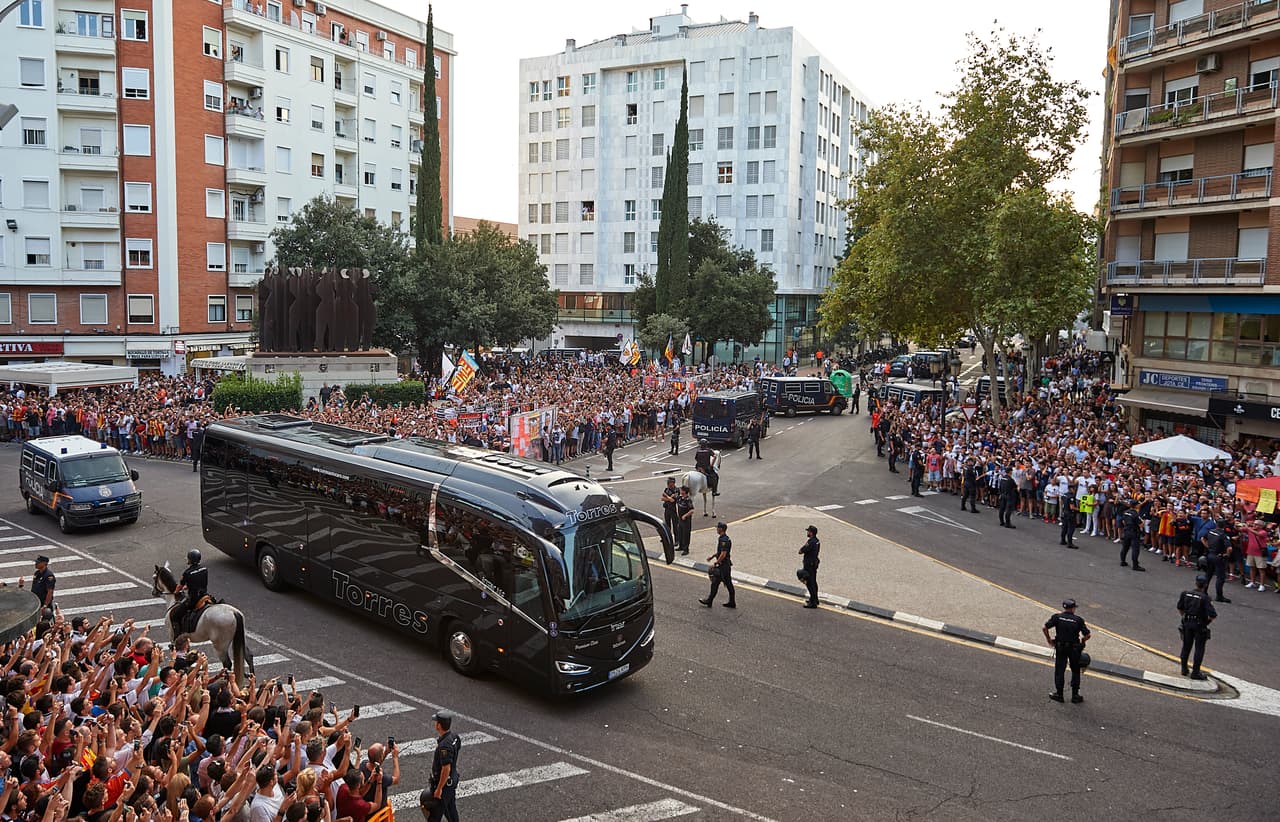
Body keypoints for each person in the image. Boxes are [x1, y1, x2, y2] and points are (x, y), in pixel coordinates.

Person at [1042, 598, 1091, 704]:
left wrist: (1049, 639)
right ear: (1073, 608)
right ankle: (1075, 696)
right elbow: (1087, 634)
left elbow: (1044, 628)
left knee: (1060, 670)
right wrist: (1083, 641)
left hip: (1061, 648)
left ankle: (1059, 694)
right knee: (1075, 670)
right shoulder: (1078, 620)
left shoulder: (1057, 617)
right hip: (1074, 649)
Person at [1177, 574, 1217, 680]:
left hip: (1187, 622)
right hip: (1199, 624)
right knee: (1199, 648)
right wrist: (1205, 623)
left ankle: (1184, 668)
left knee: (1186, 646)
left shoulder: (1185, 594)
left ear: (1196, 583)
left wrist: (1185, 618)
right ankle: (1195, 672)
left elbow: (1180, 608)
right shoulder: (1205, 598)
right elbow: (1213, 615)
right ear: (1206, 585)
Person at [425, 710, 461, 822]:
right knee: (450, 810)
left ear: (439, 725)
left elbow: (446, 768)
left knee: (435, 816)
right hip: (452, 779)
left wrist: (439, 789)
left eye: (436, 722)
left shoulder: (444, 746)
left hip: (445, 784)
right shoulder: (455, 737)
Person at [171, 549, 209, 634]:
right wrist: (187, 586)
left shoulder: (187, 573)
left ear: (190, 560)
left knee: (175, 617)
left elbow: (179, 586)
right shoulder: (204, 569)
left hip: (194, 599)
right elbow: (199, 581)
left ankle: (177, 636)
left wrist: (176, 592)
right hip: (204, 596)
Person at [699, 522, 735, 608]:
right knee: (728, 584)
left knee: (715, 583)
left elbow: (723, 554)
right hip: (726, 565)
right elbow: (720, 552)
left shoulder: (723, 540)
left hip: (723, 566)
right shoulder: (724, 538)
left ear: (721, 529)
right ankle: (732, 602)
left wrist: (716, 563)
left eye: (718, 528)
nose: (716, 529)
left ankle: (709, 601)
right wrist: (712, 556)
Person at [1200, 518, 1233, 603]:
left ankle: (1204, 591)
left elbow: (1202, 538)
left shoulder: (1210, 531)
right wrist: (1226, 554)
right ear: (1224, 526)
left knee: (1208, 574)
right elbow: (1229, 548)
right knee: (1220, 577)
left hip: (1210, 554)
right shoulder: (1223, 535)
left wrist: (1208, 547)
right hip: (1219, 556)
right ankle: (1219, 596)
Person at [1119, 500, 1146, 571]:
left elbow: (1123, 521)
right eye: (1138, 504)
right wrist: (1143, 521)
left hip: (1126, 531)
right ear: (1135, 505)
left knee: (1125, 547)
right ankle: (1135, 565)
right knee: (1135, 549)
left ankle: (1123, 561)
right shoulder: (1135, 514)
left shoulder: (1125, 512)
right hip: (1134, 532)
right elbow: (1141, 525)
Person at [799, 525, 820, 608]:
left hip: (809, 565)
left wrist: (801, 550)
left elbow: (801, 551)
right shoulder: (817, 541)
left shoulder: (811, 542)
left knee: (809, 583)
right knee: (813, 582)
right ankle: (814, 599)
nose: (807, 533)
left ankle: (813, 603)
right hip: (814, 564)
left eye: (808, 531)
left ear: (811, 533)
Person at [661, 477, 680, 552]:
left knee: (675, 525)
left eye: (669, 482)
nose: (668, 484)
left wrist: (667, 497)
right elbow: (662, 498)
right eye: (668, 482)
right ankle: (667, 538)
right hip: (667, 509)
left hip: (673, 510)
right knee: (667, 525)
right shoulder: (666, 489)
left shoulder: (676, 490)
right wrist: (669, 498)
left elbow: (673, 500)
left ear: (673, 483)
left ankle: (677, 540)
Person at [675, 486, 694, 556]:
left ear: (684, 491)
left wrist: (685, 515)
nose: (680, 491)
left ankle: (686, 549)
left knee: (686, 535)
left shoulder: (688, 500)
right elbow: (673, 499)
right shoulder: (680, 498)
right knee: (680, 533)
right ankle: (681, 546)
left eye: (681, 490)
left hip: (686, 521)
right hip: (680, 519)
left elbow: (692, 510)